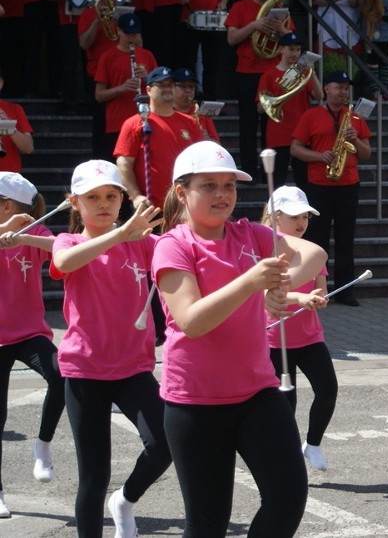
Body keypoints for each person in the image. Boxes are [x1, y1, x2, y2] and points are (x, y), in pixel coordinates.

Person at [152, 140, 326, 536]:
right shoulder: (173, 245)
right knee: (208, 524)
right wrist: (250, 283)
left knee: (287, 497)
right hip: (195, 403)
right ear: (182, 192)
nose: (221, 195)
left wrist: (277, 286)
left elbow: (313, 254)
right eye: (208, 186)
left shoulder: (252, 234)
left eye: (228, 186)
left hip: (257, 392)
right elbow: (192, 321)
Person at [50, 159, 171, 538]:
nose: (103, 204)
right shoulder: (68, 241)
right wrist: (122, 235)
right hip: (84, 372)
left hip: (134, 368)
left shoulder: (144, 244)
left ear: (122, 198)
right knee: (94, 474)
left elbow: (185, 255)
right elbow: (64, 261)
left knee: (163, 444)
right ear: (75, 203)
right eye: (93, 197)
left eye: (111, 195)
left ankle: (125, 499)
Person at [0, 172, 65, 518]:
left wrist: (22, 234)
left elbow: (62, 249)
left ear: (7, 203)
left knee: (62, 376)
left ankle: (43, 445)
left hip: (29, 333)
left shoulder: (34, 231)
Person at [262, 185, 338, 471]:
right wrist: (300, 298)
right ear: (275, 216)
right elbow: (264, 293)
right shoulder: (265, 249)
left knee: (328, 388)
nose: (301, 223)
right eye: (294, 216)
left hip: (309, 336)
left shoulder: (312, 252)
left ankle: (313, 444)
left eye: (305, 216)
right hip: (275, 337)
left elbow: (320, 286)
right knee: (286, 402)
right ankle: (287, 455)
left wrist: (320, 297)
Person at [291, 70, 372, 307]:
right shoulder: (311, 115)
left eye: (346, 88)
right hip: (319, 184)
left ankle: (345, 291)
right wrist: (319, 155)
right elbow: (296, 149)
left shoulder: (355, 117)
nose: (343, 92)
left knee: (346, 238)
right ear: (326, 89)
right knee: (317, 239)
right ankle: (316, 287)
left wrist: (355, 139)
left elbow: (366, 153)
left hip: (349, 183)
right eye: (339, 87)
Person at [225, 0, 291, 180]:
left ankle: (268, 171)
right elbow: (231, 38)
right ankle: (249, 169)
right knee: (248, 123)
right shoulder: (240, 6)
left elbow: (292, 41)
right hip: (247, 71)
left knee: (270, 125)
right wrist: (254, 25)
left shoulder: (279, 9)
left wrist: (281, 30)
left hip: (272, 72)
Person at [115, 66, 205, 210]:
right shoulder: (135, 123)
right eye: (161, 85)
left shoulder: (190, 122)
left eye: (170, 85)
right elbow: (123, 163)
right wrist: (135, 196)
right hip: (151, 206)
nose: (167, 89)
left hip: (185, 205)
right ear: (149, 90)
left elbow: (201, 160)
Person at [257, 32, 323, 188]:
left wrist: (311, 72)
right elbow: (260, 108)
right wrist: (276, 98)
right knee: (277, 182)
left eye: (298, 50)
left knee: (304, 182)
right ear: (281, 50)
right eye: (291, 49)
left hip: (302, 135)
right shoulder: (269, 75)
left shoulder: (303, 73)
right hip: (278, 134)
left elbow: (319, 95)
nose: (295, 53)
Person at [160, 0, 230, 98]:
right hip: (190, 16)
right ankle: (188, 99)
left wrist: (223, 2)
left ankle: (210, 100)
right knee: (187, 61)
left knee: (212, 62)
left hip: (211, 19)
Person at [94, 13, 158, 155]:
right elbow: (98, 95)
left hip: (146, 120)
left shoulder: (147, 55)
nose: (131, 38)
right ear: (119, 31)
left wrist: (147, 79)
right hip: (118, 123)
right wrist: (121, 88)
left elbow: (159, 89)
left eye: (135, 34)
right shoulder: (107, 57)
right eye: (128, 34)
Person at [77, 0, 121, 158]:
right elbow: (84, 44)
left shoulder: (122, 13)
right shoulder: (88, 13)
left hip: (120, 73)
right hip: (97, 74)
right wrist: (97, 20)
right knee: (101, 124)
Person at [312, 0, 362, 68]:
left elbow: (357, 2)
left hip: (348, 18)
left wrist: (352, 1)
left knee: (349, 45)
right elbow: (314, 0)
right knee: (329, 46)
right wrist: (331, 1)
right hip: (330, 18)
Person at [0, 66, 34, 173]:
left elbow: (28, 148)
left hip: (9, 181)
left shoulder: (15, 109)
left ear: (1, 83)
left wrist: (9, 127)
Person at [172, 67, 221, 142]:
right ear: (172, 88)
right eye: (183, 86)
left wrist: (208, 140)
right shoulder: (167, 112)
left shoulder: (202, 113)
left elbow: (218, 145)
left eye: (191, 87)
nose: (188, 90)